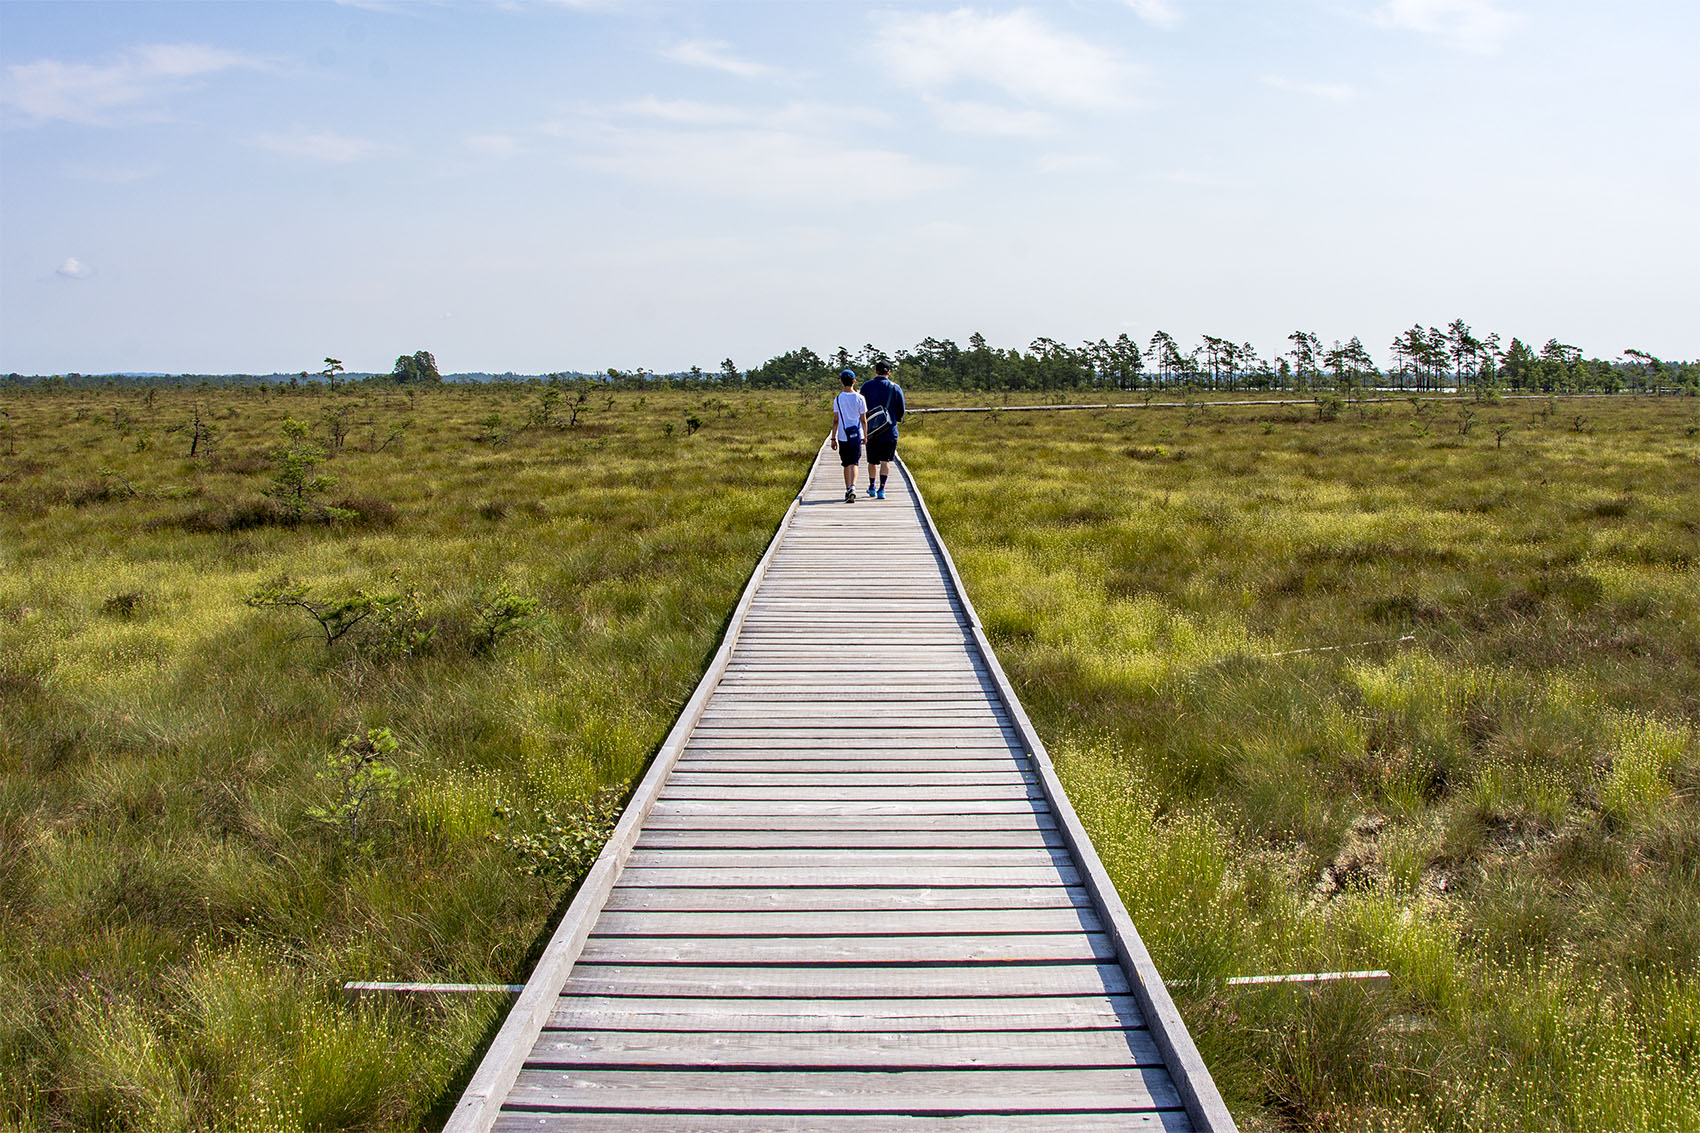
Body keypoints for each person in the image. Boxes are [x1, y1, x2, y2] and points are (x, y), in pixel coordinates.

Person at [858, 361, 906, 499]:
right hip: (889, 431)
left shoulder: (866, 387)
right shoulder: (895, 387)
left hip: (871, 431)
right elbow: (901, 410)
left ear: (875, 371)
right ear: (889, 372)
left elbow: (862, 408)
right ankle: (882, 489)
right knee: (885, 461)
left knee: (872, 461)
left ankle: (872, 487)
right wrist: (894, 419)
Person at [829, 369, 868, 504]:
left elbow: (835, 420)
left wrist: (833, 438)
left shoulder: (838, 399)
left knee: (846, 464)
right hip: (857, 435)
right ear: (854, 381)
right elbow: (863, 419)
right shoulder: (860, 398)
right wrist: (865, 435)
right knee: (854, 463)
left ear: (841, 382)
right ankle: (853, 487)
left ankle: (847, 489)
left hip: (843, 436)